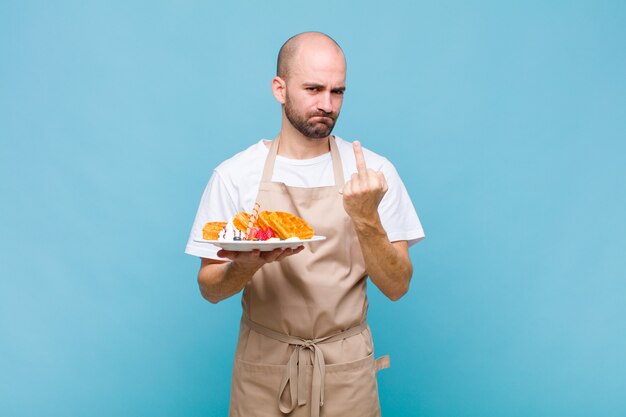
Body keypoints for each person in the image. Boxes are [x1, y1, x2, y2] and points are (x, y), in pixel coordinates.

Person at [185, 32, 425, 417]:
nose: (326, 105)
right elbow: (209, 289)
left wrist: (365, 219)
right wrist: (246, 264)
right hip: (265, 371)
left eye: (337, 91)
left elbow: (397, 287)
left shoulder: (374, 174)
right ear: (280, 89)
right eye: (313, 89)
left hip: (346, 373)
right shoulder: (234, 175)